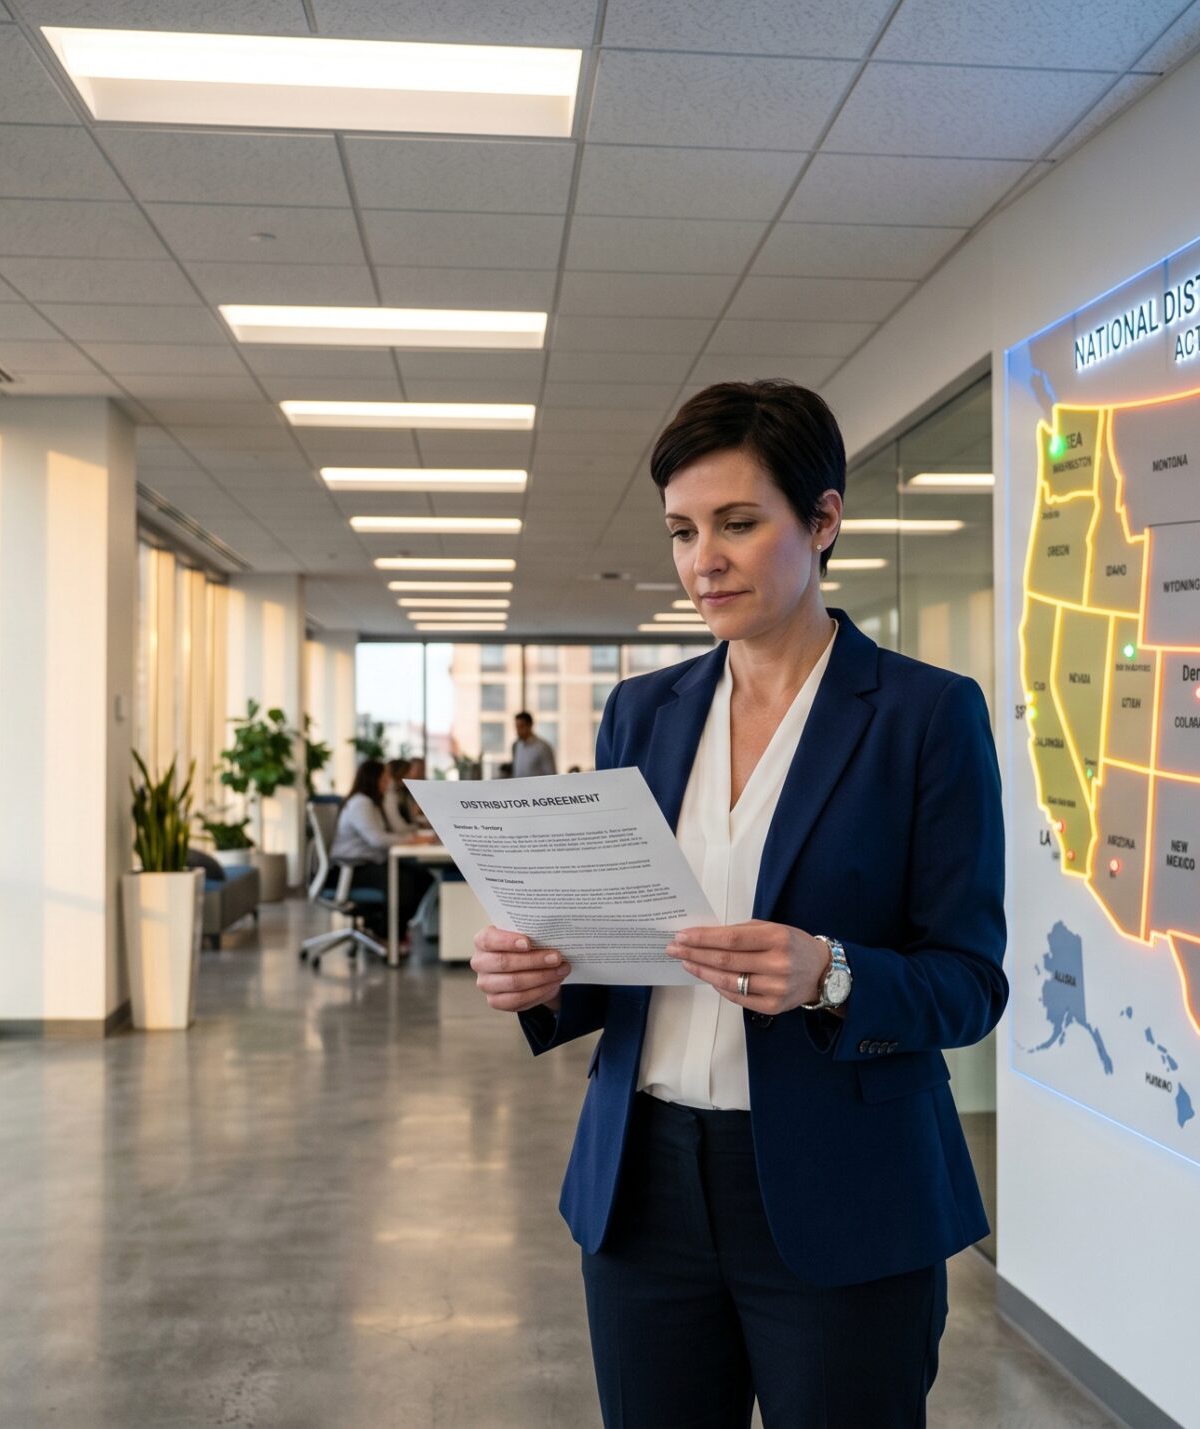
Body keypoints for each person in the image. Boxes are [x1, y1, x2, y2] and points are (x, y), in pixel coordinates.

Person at [469, 380, 1006, 1428]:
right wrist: (536, 974)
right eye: (681, 530)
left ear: (823, 519)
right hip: (643, 1189)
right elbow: (613, 950)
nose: (700, 558)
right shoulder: (643, 711)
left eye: (737, 523)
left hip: (841, 1191)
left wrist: (831, 972)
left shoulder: (925, 715)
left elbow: (969, 980)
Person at [333, 758, 432, 943]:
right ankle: (386, 933)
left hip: (370, 863)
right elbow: (377, 839)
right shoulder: (361, 803)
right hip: (352, 869)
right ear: (373, 780)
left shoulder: (372, 803)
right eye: (385, 779)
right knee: (404, 884)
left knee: (423, 877)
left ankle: (388, 929)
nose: (389, 784)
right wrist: (411, 840)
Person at [508, 711, 556, 778]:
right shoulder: (516, 745)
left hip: (537, 787)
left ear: (530, 726)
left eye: (521, 727)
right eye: (517, 727)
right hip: (519, 787)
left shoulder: (543, 747)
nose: (518, 730)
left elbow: (551, 774)